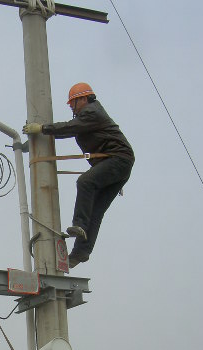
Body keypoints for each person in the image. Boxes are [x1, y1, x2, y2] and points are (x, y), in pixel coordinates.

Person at [23, 82, 135, 268]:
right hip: (117, 164)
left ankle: (79, 224)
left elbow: (70, 128)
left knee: (85, 182)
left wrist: (42, 129)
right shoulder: (92, 114)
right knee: (96, 210)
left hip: (118, 160)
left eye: (72, 103)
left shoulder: (92, 112)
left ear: (82, 99)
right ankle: (81, 253)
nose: (71, 108)